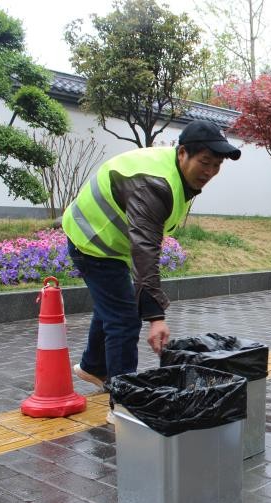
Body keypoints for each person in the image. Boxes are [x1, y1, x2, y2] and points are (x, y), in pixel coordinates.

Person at [62, 120, 241, 422]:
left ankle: (92, 367)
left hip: (109, 242)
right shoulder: (155, 184)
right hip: (92, 239)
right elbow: (145, 251)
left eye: (216, 165)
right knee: (124, 318)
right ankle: (123, 404)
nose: (210, 172)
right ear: (183, 153)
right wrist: (155, 317)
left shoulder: (177, 175)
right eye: (205, 162)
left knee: (114, 305)